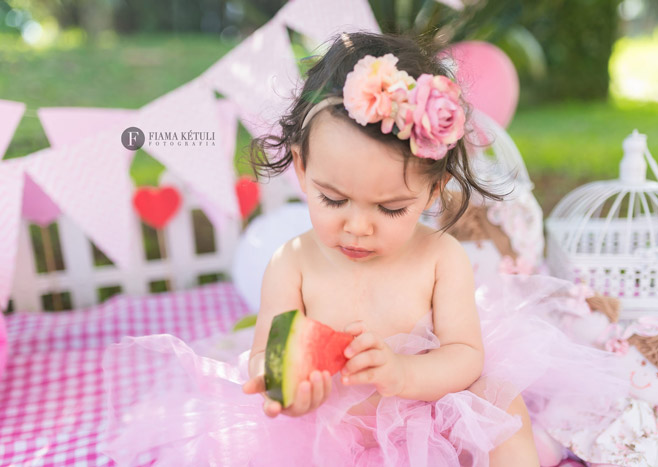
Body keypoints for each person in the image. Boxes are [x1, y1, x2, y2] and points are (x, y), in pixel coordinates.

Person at [99, 32, 628, 466]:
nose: (358, 228)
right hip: (335, 428)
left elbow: (466, 356)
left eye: (390, 209)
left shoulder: (441, 259)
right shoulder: (293, 263)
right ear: (303, 172)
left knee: (505, 410)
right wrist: (282, 385)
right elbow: (268, 351)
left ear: (433, 189)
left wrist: (403, 377)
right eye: (334, 199)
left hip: (429, 410)